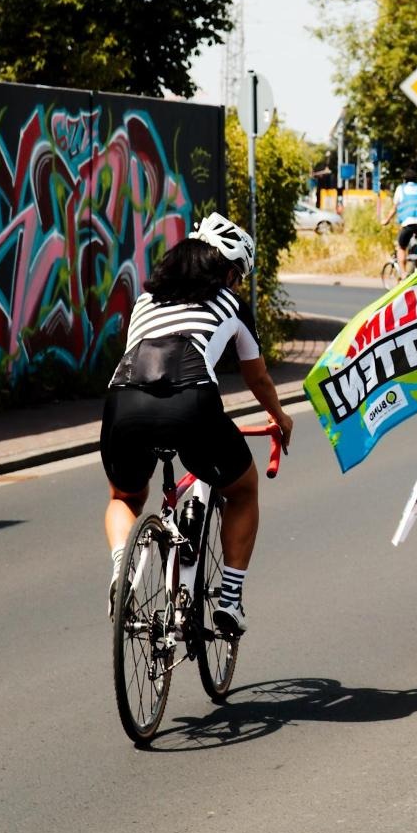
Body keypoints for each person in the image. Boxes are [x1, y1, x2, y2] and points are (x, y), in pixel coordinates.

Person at [100, 214, 295, 637]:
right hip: (191, 405)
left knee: (125, 496)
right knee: (242, 490)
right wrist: (279, 417)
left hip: (123, 400)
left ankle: (123, 569)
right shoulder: (230, 304)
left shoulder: (145, 302)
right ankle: (229, 600)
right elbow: (257, 376)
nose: (239, 285)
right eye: (238, 276)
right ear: (227, 272)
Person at [379, 177, 417, 273]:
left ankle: (403, 274)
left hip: (408, 222)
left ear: (404, 180)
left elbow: (394, 208)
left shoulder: (401, 189)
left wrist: (386, 220)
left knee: (401, 247)